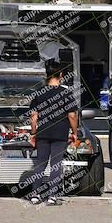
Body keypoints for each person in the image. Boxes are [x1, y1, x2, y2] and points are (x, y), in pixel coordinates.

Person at [29, 58, 78, 205]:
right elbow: (72, 115)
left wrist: (33, 133)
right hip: (60, 133)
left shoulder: (38, 93)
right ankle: (52, 196)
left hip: (43, 132)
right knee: (56, 164)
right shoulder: (66, 93)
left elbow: (34, 116)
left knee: (40, 163)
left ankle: (35, 194)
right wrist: (74, 132)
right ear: (61, 75)